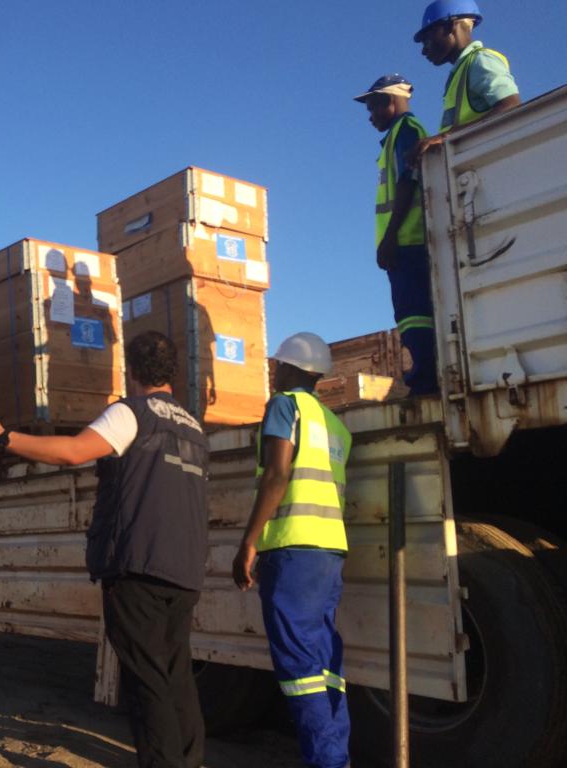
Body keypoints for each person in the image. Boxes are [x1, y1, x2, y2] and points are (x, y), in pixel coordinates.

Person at [0, 330, 210, 768]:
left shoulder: (131, 414)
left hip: (138, 568)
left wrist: (2, 438)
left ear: (131, 371)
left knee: (147, 683)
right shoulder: (193, 426)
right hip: (184, 571)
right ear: (173, 374)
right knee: (176, 677)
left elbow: (74, 452)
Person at [232, 332, 353, 768]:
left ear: (289, 369)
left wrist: (248, 541)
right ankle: (336, 756)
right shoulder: (335, 424)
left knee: (299, 669)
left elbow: (277, 475)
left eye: (277, 365)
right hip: (329, 552)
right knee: (324, 664)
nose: (272, 372)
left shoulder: (285, 405)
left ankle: (326, 763)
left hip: (292, 550)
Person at [354, 74, 438, 395]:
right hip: (404, 241)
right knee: (409, 313)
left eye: (373, 106)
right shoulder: (396, 137)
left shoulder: (407, 131)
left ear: (391, 100)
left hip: (409, 240)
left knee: (414, 313)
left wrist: (390, 237)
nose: (370, 115)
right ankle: (423, 372)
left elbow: (408, 181)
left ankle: (426, 376)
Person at [408, 0, 521, 164]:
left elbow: (511, 105)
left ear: (450, 26)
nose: (424, 50)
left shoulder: (480, 60)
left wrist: (445, 137)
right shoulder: (461, 71)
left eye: (427, 40)